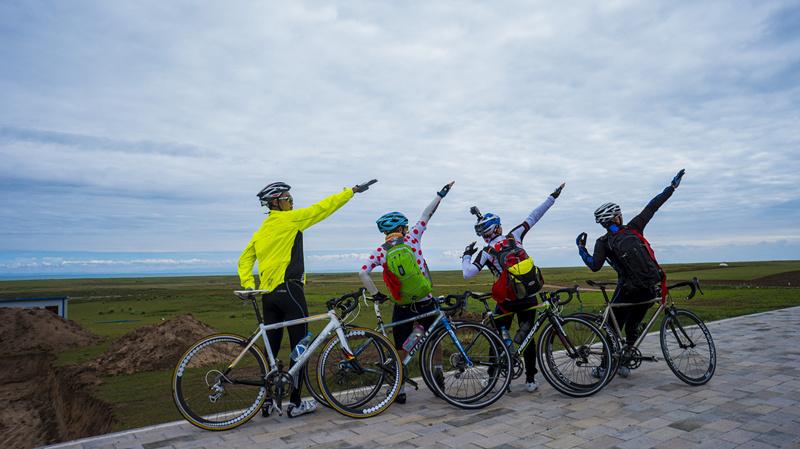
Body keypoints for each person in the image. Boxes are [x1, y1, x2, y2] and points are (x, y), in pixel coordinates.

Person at [238, 179, 376, 417]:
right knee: (300, 349)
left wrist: (249, 285)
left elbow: (244, 259)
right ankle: (295, 402)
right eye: (288, 199)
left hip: (267, 296)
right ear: (277, 203)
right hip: (290, 291)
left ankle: (267, 401)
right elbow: (323, 207)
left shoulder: (262, 230)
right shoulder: (291, 219)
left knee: (270, 349)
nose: (292, 202)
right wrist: (351, 192)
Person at [576, 169, 685, 378]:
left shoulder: (603, 242)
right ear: (616, 217)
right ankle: (625, 361)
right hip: (647, 289)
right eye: (619, 214)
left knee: (610, 327)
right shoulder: (634, 227)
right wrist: (671, 187)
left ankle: (605, 367)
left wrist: (581, 249)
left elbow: (594, 266)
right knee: (633, 324)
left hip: (626, 289)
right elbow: (653, 206)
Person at [461, 183, 565, 393]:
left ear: (484, 234)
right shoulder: (514, 236)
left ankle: (492, 378)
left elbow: (468, 273)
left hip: (507, 300)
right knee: (528, 337)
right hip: (529, 295)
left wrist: (466, 255)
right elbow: (534, 216)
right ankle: (530, 379)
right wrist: (552, 197)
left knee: (497, 337)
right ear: (498, 227)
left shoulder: (487, 251)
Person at [358, 181, 455, 404]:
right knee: (435, 338)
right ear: (402, 228)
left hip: (401, 304)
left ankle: (400, 388)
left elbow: (363, 274)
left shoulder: (380, 251)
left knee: (401, 345)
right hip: (425, 300)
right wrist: (441, 194)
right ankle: (438, 372)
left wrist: (376, 294)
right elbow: (426, 214)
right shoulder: (413, 239)